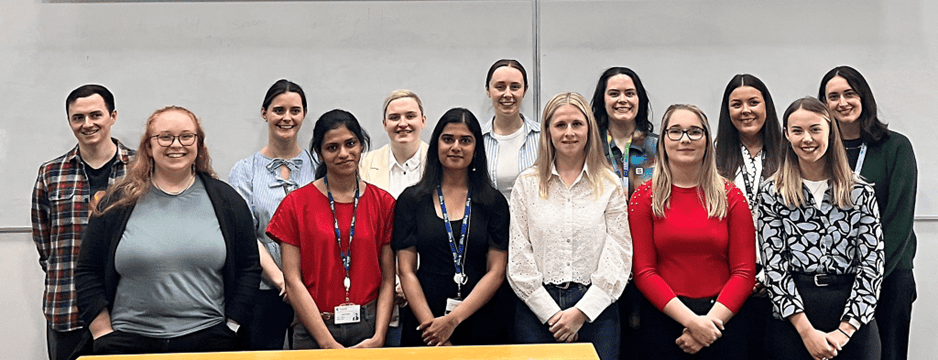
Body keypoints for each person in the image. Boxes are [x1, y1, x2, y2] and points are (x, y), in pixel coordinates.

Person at [75, 106, 260, 355]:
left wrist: (232, 326)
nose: (176, 144)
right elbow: (88, 270)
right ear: (149, 146)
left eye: (186, 136)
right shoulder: (116, 204)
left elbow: (249, 268)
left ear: (198, 144)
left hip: (209, 341)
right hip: (127, 341)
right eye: (164, 137)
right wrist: (102, 332)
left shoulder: (228, 202)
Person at [508, 92, 631, 360]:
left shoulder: (609, 183)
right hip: (537, 312)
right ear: (547, 132)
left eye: (577, 124)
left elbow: (619, 252)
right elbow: (519, 257)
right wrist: (552, 314)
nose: (569, 133)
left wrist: (581, 312)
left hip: (596, 310)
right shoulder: (527, 184)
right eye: (560, 125)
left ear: (589, 129)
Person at [759, 97, 884, 360]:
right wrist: (807, 332)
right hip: (795, 317)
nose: (807, 139)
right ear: (786, 135)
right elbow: (774, 266)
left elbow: (872, 264)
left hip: (852, 314)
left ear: (830, 130)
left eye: (815, 129)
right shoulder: (773, 192)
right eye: (797, 131)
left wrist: (844, 332)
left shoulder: (859, 191)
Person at [629, 104, 756, 359]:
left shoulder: (732, 197)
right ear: (662, 141)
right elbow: (643, 271)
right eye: (675, 131)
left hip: (723, 322)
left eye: (694, 132)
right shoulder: (643, 198)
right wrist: (693, 323)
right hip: (664, 320)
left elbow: (744, 271)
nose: (685, 139)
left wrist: (709, 324)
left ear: (708, 141)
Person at [267, 109, 396, 349]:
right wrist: (327, 343)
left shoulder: (384, 203)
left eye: (351, 144)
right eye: (332, 147)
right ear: (320, 153)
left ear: (361, 145)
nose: (344, 154)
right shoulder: (296, 204)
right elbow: (292, 280)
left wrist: (379, 336)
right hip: (313, 329)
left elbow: (388, 278)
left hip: (368, 329)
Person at [819, 66, 917, 360]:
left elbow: (898, 223)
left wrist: (868, 277)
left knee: (888, 353)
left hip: (888, 276)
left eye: (850, 94)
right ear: (824, 105)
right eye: (833, 96)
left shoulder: (895, 147)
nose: (842, 103)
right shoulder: (818, 150)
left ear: (864, 97)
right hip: (836, 279)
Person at [31, 84, 135, 360]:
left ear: (112, 116)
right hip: (67, 307)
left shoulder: (140, 170)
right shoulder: (50, 173)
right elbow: (45, 244)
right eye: (78, 117)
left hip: (129, 310)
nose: (87, 124)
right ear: (69, 121)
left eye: (95, 115)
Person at [393, 108, 510, 347]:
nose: (456, 147)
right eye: (448, 139)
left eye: (465, 140)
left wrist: (452, 321)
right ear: (436, 145)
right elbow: (405, 270)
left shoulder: (493, 202)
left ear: (476, 149)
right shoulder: (412, 199)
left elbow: (496, 271)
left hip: (480, 319)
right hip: (425, 321)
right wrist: (433, 328)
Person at [228, 79, 315, 350]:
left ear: (304, 114)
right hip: (263, 290)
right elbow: (245, 233)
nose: (287, 118)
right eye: (279, 110)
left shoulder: (320, 167)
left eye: (295, 110)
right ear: (265, 113)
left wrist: (300, 286)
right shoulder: (244, 171)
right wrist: (283, 282)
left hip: (316, 288)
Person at [588, 66, 658, 360]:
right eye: (614, 93)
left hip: (651, 254)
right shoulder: (588, 146)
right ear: (602, 100)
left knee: (646, 344)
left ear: (640, 99)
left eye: (630, 93)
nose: (622, 100)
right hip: (602, 257)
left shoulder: (656, 145)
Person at [714, 74, 783, 359]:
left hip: (781, 280)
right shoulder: (715, 154)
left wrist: (768, 275)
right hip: (728, 281)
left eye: (754, 102)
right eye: (736, 104)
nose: (746, 110)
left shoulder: (789, 152)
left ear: (766, 106)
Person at [481, 59, 540, 199]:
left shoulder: (543, 137)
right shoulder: (477, 139)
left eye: (515, 87)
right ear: (488, 91)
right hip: (491, 220)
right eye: (500, 87)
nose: (507, 94)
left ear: (524, 91)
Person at [359, 89, 430, 198]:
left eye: (410, 116)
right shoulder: (363, 164)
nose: (402, 123)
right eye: (394, 117)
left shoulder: (439, 162)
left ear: (423, 121)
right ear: (385, 124)